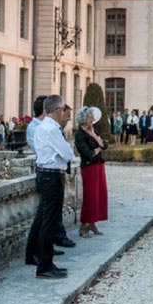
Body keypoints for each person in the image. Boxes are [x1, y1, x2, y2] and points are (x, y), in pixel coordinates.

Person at [26, 95, 74, 279]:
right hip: (52, 176)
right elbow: (67, 153)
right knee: (49, 221)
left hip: (46, 174)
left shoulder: (43, 127)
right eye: (63, 109)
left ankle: (39, 258)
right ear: (57, 110)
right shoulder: (51, 129)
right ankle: (45, 266)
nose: (65, 112)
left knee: (44, 219)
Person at [74, 106, 108, 239]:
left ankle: (93, 224)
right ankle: (83, 226)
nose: (93, 120)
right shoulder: (79, 135)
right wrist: (99, 147)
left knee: (99, 195)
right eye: (90, 118)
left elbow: (105, 145)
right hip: (89, 168)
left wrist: (95, 137)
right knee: (90, 196)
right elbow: (88, 154)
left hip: (99, 165)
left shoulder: (94, 130)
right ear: (84, 119)